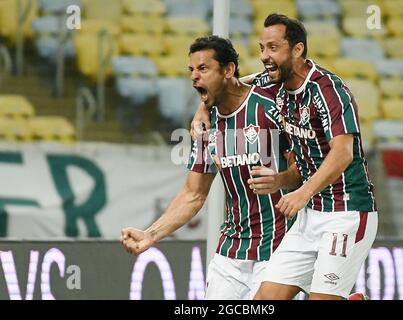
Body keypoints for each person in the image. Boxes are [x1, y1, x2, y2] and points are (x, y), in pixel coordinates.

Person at [191, 14, 378, 300]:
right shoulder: (274, 81)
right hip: (309, 216)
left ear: (297, 49)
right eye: (262, 48)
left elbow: (343, 153)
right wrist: (202, 108)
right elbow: (232, 84)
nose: (265, 56)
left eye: (273, 48)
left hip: (347, 212)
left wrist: (302, 192)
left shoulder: (328, 90)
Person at [121, 35, 301, 300]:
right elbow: (194, 194)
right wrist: (150, 234)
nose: (194, 76)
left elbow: (303, 171)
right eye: (191, 70)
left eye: (203, 68)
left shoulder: (269, 107)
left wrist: (280, 179)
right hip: (231, 251)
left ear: (228, 70)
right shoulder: (205, 126)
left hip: (279, 246)